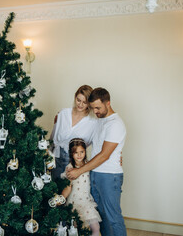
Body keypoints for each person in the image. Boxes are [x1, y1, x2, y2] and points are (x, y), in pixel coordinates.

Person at [66, 87, 127, 236]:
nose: (95, 112)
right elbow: (87, 144)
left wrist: (79, 171)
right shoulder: (100, 120)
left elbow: (104, 155)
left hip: (109, 176)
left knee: (113, 217)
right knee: (102, 218)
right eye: (93, 108)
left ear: (108, 103)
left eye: (98, 108)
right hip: (95, 174)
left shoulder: (116, 124)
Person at [50, 85, 97, 179]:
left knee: (70, 191)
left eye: (85, 102)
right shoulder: (63, 113)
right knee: (55, 190)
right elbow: (53, 137)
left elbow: (99, 145)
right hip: (56, 158)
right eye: (78, 100)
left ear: (89, 103)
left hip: (75, 162)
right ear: (75, 97)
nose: (80, 104)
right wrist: (48, 154)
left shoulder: (93, 122)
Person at [61, 138, 101, 236]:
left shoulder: (89, 165)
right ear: (71, 154)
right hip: (74, 203)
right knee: (75, 229)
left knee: (96, 228)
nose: (79, 155)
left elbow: (101, 163)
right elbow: (68, 187)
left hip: (86, 202)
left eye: (82, 152)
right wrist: (61, 198)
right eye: (76, 153)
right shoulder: (70, 169)